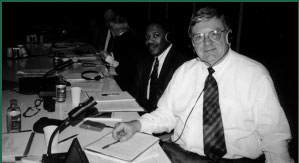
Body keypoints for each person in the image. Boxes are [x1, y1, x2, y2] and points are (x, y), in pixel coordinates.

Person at [112, 7, 294, 163]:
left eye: (214, 34)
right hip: (182, 157)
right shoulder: (184, 71)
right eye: (198, 37)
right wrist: (135, 125)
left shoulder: (254, 74)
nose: (206, 42)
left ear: (228, 34)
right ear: (192, 42)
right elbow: (166, 114)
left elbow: (274, 136)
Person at [131, 19, 193, 113]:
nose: (150, 41)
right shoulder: (144, 60)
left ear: (168, 37)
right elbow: (136, 94)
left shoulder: (182, 64)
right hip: (143, 118)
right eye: (147, 37)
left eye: (156, 35)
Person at [99, 15, 146, 94]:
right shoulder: (132, 38)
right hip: (134, 80)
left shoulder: (121, 40)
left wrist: (109, 59)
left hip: (129, 86)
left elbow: (126, 68)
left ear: (113, 30)